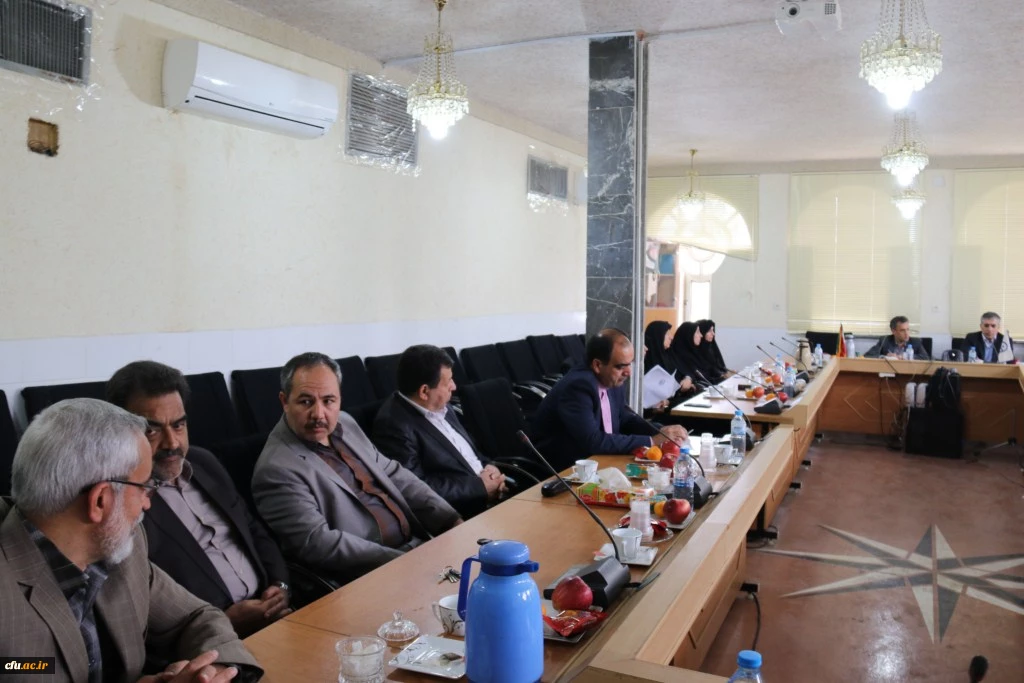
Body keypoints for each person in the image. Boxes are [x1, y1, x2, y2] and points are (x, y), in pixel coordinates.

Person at [1, 398, 260, 682]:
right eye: (145, 488)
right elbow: (19, 667)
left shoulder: (121, 547)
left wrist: (212, 671)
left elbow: (196, 616)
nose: (147, 504)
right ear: (100, 501)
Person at [107, 361, 291, 638]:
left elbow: (253, 529)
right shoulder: (122, 501)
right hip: (209, 642)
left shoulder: (204, 462)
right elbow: (138, 611)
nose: (172, 443)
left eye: (179, 425)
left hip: (276, 615)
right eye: (152, 430)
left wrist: (280, 586)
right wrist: (222, 622)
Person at [251, 352, 461, 585]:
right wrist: (404, 561)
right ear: (284, 401)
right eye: (306, 402)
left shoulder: (345, 423)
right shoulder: (276, 470)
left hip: (417, 547)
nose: (319, 414)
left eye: (328, 401)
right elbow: (318, 543)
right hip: (369, 576)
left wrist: (450, 519)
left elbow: (393, 473)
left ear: (340, 399)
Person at [372, 345, 506, 518]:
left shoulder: (440, 404)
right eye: (448, 381)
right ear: (424, 391)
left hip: (491, 492)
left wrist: (489, 466)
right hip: (463, 513)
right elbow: (416, 489)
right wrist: (480, 487)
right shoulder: (393, 426)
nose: (454, 386)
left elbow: (466, 451)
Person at [530, 329, 687, 470]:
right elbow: (593, 441)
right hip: (561, 468)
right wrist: (651, 441)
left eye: (630, 364)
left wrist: (661, 431)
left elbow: (625, 419)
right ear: (598, 365)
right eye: (621, 366)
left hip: (598, 461)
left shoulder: (610, 378)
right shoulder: (578, 386)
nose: (628, 372)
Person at [864, 316, 931, 360]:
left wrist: (903, 356)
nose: (906, 333)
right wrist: (885, 357)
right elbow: (868, 355)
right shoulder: (885, 340)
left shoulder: (915, 341)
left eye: (908, 329)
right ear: (893, 331)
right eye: (902, 330)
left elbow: (926, 357)